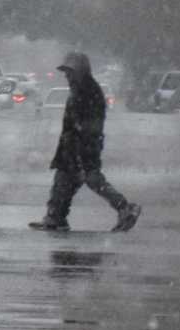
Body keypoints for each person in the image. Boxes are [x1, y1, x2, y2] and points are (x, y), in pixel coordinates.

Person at [29, 51, 141, 232]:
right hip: (72, 147)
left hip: (83, 146)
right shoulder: (80, 89)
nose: (67, 75)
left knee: (92, 179)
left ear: (80, 71)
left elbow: (88, 124)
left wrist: (83, 147)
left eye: (70, 71)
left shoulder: (88, 91)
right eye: (66, 72)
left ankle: (125, 207)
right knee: (63, 182)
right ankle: (55, 216)